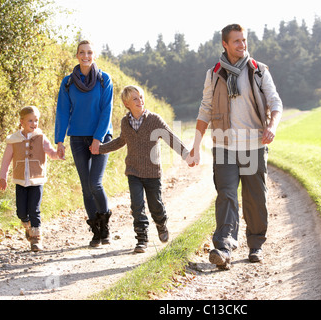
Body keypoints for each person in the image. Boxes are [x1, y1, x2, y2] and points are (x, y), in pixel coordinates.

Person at [187, 24, 283, 269]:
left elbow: (275, 102)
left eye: (244, 40)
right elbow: (205, 110)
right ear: (225, 45)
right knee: (226, 195)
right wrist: (196, 146)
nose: (242, 45)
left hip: (253, 145)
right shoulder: (214, 74)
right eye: (237, 41)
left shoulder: (258, 70)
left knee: (255, 197)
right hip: (224, 146)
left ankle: (256, 245)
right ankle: (224, 247)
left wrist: (271, 126)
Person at [93, 85, 189, 253]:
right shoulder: (125, 122)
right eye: (135, 99)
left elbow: (170, 137)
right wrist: (100, 148)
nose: (140, 101)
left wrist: (186, 154)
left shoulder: (154, 120)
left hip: (152, 172)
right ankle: (141, 238)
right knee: (137, 206)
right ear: (126, 103)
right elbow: (120, 141)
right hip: (133, 171)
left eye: (141, 97)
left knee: (155, 205)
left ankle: (161, 224)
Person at [54, 40, 114, 247]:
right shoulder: (68, 82)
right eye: (82, 52)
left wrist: (98, 138)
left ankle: (105, 226)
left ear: (94, 55)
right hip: (78, 137)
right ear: (77, 55)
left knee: (95, 183)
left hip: (101, 137)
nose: (85, 56)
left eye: (89, 52)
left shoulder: (104, 80)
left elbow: (107, 110)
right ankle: (96, 231)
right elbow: (62, 110)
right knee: (85, 187)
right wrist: (59, 140)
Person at [0, 106, 62, 251]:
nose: (34, 124)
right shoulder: (13, 140)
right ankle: (27, 226)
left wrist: (58, 154)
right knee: (21, 212)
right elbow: (6, 160)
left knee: (34, 209)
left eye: (36, 121)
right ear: (21, 122)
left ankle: (36, 239)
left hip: (37, 180)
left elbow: (51, 153)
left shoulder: (41, 137)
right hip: (20, 180)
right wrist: (3, 177)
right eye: (30, 120)